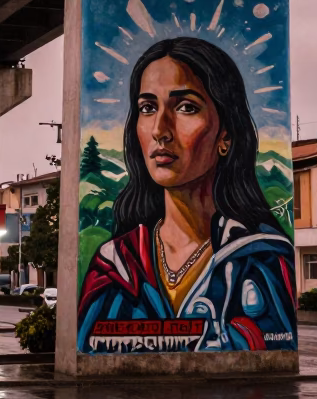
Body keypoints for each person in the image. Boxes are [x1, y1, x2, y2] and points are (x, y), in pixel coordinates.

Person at [78, 37, 297, 354]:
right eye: (148, 107)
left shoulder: (261, 260)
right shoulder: (116, 265)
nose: (160, 130)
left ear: (226, 136)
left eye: (186, 107)